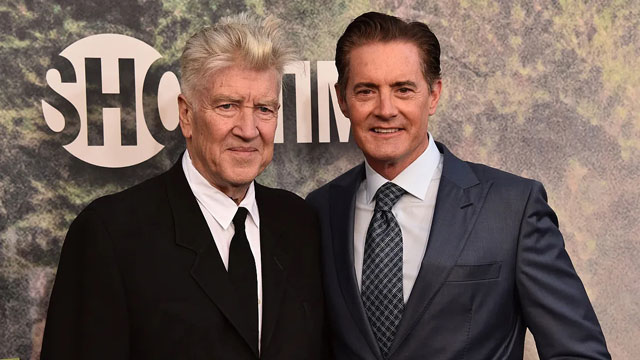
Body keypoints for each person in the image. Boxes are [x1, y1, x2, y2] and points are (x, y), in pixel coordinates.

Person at [306, 12, 610, 360]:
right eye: (366, 91)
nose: (385, 109)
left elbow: (579, 353)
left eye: (403, 89)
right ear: (343, 100)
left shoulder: (512, 208)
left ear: (433, 95)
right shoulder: (319, 210)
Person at [41, 14, 326, 360]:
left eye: (264, 109)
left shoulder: (300, 223)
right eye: (227, 106)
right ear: (187, 115)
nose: (248, 129)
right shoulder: (110, 234)